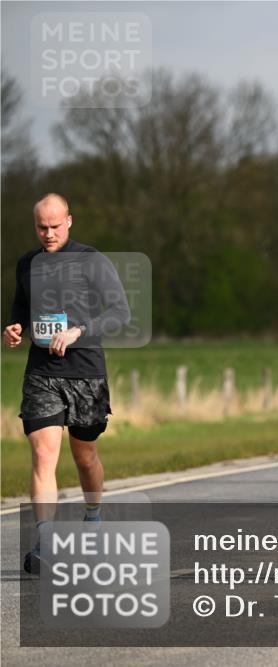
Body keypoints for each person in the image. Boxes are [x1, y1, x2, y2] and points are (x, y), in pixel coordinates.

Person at [4, 193, 130, 574]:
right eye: (41, 227)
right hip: (42, 373)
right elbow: (20, 308)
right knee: (44, 455)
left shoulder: (92, 261)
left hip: (86, 372)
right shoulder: (28, 264)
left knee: (84, 456)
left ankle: (94, 518)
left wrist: (79, 331)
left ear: (69, 221)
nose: (48, 233)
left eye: (55, 226)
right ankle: (46, 543)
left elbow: (120, 312)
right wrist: (14, 328)